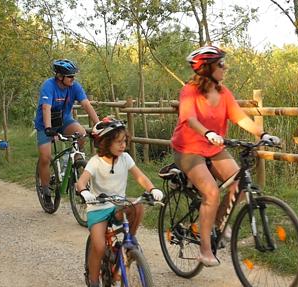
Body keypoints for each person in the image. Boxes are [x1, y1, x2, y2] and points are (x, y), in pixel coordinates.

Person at [170, 46, 281, 267]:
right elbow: (190, 118)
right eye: (220, 64)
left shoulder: (223, 93)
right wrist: (208, 132)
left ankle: (218, 222)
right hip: (188, 148)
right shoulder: (189, 92)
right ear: (206, 68)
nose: (225, 67)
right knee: (211, 192)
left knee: (239, 182)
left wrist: (263, 134)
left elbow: (239, 117)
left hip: (214, 147)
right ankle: (204, 250)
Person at [76, 116, 164, 287]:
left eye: (124, 141)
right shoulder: (95, 162)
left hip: (117, 205)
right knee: (99, 247)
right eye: (118, 142)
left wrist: (152, 189)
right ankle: (94, 281)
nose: (123, 145)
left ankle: (127, 245)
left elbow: (139, 176)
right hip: (98, 208)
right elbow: (81, 181)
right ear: (104, 142)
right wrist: (85, 192)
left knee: (137, 206)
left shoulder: (125, 158)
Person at [34, 59, 100, 209]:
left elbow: (86, 104)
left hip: (65, 121)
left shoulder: (74, 86)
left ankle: (70, 164)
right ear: (59, 76)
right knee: (45, 157)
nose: (73, 79)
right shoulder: (48, 86)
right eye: (70, 76)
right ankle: (45, 191)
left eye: (73, 76)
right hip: (45, 123)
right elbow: (46, 108)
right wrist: (49, 128)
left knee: (81, 134)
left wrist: (98, 123)